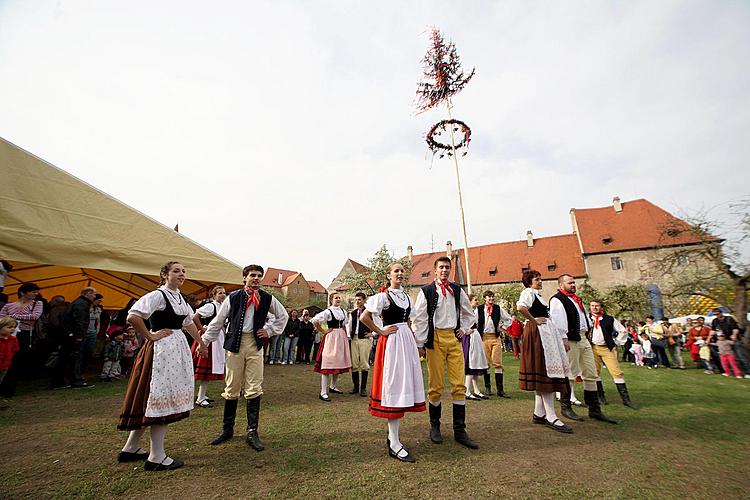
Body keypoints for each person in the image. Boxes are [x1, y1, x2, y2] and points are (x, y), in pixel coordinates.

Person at [116, 261, 208, 471]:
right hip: (160, 352)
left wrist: (201, 343)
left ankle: (130, 448)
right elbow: (133, 315)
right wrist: (150, 335)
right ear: (165, 274)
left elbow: (187, 323)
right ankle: (156, 457)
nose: (181, 274)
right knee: (159, 395)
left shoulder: (180, 299)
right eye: (176, 271)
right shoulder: (158, 295)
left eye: (184, 271)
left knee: (151, 397)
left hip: (175, 350)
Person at [204, 265, 288, 451]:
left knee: (254, 386)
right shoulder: (232, 297)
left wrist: (269, 330)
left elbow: (283, 316)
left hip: (255, 344)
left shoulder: (267, 298)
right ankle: (227, 430)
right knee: (232, 386)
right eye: (252, 275)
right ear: (244, 278)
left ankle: (252, 432)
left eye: (259, 275)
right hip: (235, 343)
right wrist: (205, 342)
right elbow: (217, 322)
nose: (256, 278)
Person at [359, 262, 426, 462]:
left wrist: (415, 341)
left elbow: (410, 321)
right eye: (396, 271)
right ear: (388, 275)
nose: (399, 274)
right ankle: (394, 442)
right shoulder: (383, 297)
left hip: (405, 342)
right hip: (392, 344)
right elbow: (364, 316)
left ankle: (393, 439)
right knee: (394, 387)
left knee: (403, 385)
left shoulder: (406, 296)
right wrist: (381, 331)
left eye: (401, 271)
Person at [412, 256, 478, 449]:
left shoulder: (457, 290)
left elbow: (469, 314)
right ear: (435, 270)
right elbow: (420, 319)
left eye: (447, 267)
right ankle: (435, 427)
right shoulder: (427, 291)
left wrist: (464, 329)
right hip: (436, 340)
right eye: (441, 267)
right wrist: (421, 343)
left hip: (454, 338)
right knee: (436, 385)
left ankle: (460, 430)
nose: (444, 270)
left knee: (459, 384)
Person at [549, 274, 616, 424]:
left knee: (591, 373)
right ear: (561, 285)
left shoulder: (576, 299)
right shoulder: (557, 299)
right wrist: (563, 338)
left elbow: (584, 317)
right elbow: (557, 320)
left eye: (574, 282)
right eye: (570, 283)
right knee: (570, 373)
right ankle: (566, 407)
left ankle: (594, 409)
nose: (573, 285)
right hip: (570, 338)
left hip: (583, 338)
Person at [516, 269, 572, 433]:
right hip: (538, 335)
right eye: (537, 279)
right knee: (545, 372)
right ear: (529, 282)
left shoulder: (538, 295)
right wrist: (534, 320)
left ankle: (539, 413)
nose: (540, 282)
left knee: (544, 372)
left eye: (540, 279)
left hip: (545, 335)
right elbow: (520, 307)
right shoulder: (528, 292)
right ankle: (551, 416)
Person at [589, 299, 638, 409]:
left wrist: (616, 342)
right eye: (592, 306)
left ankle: (626, 399)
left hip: (607, 348)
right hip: (592, 348)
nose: (594, 308)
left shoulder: (609, 319)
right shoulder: (587, 318)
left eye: (597, 306)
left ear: (601, 307)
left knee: (616, 372)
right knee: (595, 373)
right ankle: (600, 397)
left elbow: (622, 331)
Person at [0, 282, 43, 394]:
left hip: (25, 334)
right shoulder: (9, 305)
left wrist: (11, 317)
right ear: (23, 292)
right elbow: (1, 319)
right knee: (5, 359)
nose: (36, 294)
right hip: (8, 335)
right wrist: (17, 319)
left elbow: (34, 316)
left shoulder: (37, 303)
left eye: (37, 292)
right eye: (33, 292)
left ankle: (10, 388)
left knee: (16, 360)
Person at [191, 285, 227, 408]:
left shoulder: (222, 306)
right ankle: (200, 398)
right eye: (220, 293)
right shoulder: (211, 306)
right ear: (214, 295)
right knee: (206, 369)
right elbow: (195, 317)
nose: (222, 295)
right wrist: (202, 329)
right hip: (210, 340)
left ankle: (202, 395)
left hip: (218, 339)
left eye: (224, 293)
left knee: (211, 368)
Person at [312, 293, 352, 401]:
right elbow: (315, 321)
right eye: (336, 298)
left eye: (339, 297)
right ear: (331, 300)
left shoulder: (343, 311)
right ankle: (323, 392)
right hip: (331, 338)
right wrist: (323, 331)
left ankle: (333, 386)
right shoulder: (328, 312)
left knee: (338, 363)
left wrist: (345, 335)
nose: (338, 299)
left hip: (341, 338)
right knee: (328, 363)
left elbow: (344, 325)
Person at [476, 289, 512, 398]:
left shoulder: (498, 308)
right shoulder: (479, 309)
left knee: (498, 362)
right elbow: (473, 320)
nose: (491, 299)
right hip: (484, 338)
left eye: (492, 297)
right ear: (485, 298)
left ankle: (500, 390)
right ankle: (488, 388)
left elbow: (509, 319)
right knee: (486, 363)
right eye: (489, 297)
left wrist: (502, 327)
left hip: (495, 337)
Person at [61, 287, 98, 388]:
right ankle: (76, 380)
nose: (95, 297)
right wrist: (79, 335)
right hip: (75, 335)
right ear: (88, 293)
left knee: (74, 357)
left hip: (73, 334)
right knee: (76, 357)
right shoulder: (81, 304)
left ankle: (71, 379)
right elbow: (79, 320)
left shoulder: (80, 303)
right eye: (94, 294)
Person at [464, 294, 490, 400]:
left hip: (476, 337)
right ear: (469, 301)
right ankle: (466, 390)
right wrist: (466, 330)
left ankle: (476, 390)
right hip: (470, 338)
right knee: (471, 364)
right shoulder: (465, 312)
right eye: (475, 300)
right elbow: (460, 323)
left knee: (477, 364)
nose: (477, 301)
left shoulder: (476, 311)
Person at [348, 292, 373, 397]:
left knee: (364, 364)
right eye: (356, 300)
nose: (357, 302)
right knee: (354, 364)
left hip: (364, 339)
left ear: (364, 300)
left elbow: (377, 324)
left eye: (359, 299)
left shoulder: (369, 312)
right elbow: (349, 326)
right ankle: (355, 387)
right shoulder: (352, 313)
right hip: (354, 339)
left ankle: (363, 389)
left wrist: (372, 333)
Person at [0, 317, 20, 386]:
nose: (13, 329)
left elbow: (15, 350)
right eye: (9, 327)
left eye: (14, 327)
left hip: (4, 366)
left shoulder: (13, 339)